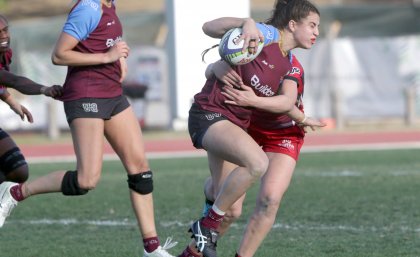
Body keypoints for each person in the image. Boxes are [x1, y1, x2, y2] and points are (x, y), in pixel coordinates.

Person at [0, 2, 176, 257]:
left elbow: (107, 41)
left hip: (112, 94)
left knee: (141, 171)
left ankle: (152, 248)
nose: (5, 36)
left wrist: (120, 58)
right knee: (86, 180)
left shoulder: (109, 5)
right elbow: (59, 55)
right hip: (86, 95)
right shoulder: (89, 8)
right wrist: (107, 57)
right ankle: (15, 193)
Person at [182, 1, 320, 257]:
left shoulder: (289, 62)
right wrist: (245, 23)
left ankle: (195, 242)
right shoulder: (264, 35)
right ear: (292, 24)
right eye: (312, 25)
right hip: (211, 114)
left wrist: (301, 117)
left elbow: (285, 102)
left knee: (232, 208)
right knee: (257, 163)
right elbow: (208, 27)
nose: (317, 32)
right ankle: (207, 226)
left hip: (237, 124)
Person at [0, 14, 62, 185]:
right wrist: (45, 89)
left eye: (5, 30)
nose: (3, 35)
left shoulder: (4, 53)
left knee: (18, 171)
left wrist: (11, 102)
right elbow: (13, 81)